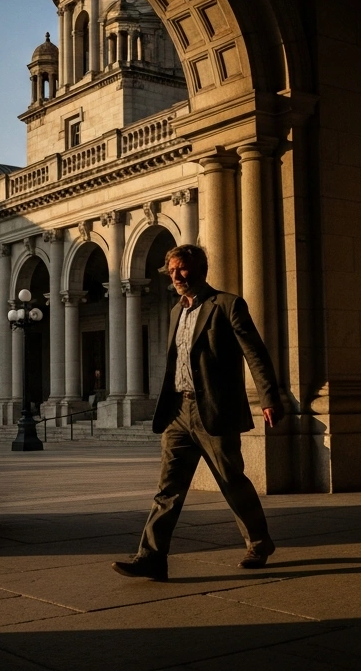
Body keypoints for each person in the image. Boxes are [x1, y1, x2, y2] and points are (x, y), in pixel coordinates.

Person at [112, 243, 283, 581]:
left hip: (213, 409)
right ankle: (151, 558)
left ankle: (259, 542)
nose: (176, 276)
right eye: (172, 271)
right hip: (178, 410)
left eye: (182, 269)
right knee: (168, 489)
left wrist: (268, 398)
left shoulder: (228, 305)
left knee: (231, 479)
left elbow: (255, 353)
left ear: (201, 268)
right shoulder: (176, 312)